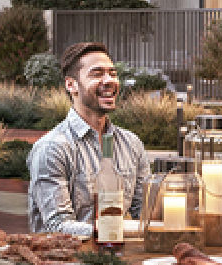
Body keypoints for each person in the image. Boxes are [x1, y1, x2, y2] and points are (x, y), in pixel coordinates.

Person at [27, 41, 150, 241]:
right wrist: (112, 230)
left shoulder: (132, 144)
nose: (109, 80)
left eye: (112, 73)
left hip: (119, 260)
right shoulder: (52, 148)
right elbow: (57, 226)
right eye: (97, 74)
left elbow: (144, 215)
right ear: (71, 85)